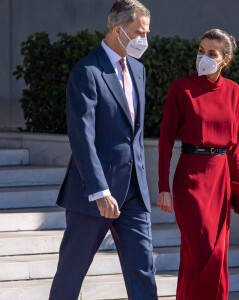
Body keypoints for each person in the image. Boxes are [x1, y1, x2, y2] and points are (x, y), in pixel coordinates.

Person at [49, 1, 158, 299]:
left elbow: (134, 134)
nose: (144, 40)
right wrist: (99, 190)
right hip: (94, 194)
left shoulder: (138, 69)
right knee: (72, 271)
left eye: (146, 33)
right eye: (139, 32)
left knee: (143, 271)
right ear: (118, 30)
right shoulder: (87, 71)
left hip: (134, 192)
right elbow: (82, 136)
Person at [157, 29, 239, 300]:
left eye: (211, 54)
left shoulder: (233, 90)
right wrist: (163, 187)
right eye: (200, 51)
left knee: (216, 255)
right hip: (190, 178)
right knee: (203, 250)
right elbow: (164, 141)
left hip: (220, 181)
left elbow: (236, 143)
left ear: (225, 61)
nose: (203, 57)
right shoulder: (180, 88)